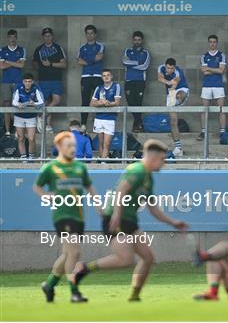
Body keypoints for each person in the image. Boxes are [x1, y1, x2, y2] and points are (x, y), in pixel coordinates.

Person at [73, 139, 189, 302]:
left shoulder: (148, 178)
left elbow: (153, 208)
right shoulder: (137, 170)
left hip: (130, 221)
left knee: (148, 258)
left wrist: (173, 222)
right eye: (163, 160)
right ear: (154, 158)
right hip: (116, 219)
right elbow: (121, 191)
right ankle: (84, 268)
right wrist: (116, 216)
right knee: (125, 259)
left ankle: (135, 295)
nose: (164, 164)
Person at [34, 131, 99, 303]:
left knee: (67, 254)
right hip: (61, 215)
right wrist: (47, 196)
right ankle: (74, 292)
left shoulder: (80, 167)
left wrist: (99, 206)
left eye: (74, 146)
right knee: (75, 252)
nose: (72, 148)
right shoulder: (51, 168)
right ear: (59, 147)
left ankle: (49, 284)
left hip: (78, 215)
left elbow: (90, 187)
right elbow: (37, 187)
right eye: (69, 145)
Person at [33, 27, 67, 134]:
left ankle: (40, 116)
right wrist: (40, 68)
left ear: (52, 36)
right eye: (45, 36)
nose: (47, 37)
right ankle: (47, 125)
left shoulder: (58, 48)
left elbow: (64, 64)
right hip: (43, 79)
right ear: (43, 37)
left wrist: (50, 64)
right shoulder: (38, 49)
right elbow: (34, 63)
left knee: (56, 100)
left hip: (56, 79)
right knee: (45, 102)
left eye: (49, 35)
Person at [157, 58, 189, 158]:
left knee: (179, 96)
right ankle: (178, 147)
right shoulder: (161, 68)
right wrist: (168, 82)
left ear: (174, 67)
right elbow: (160, 78)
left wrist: (171, 84)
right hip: (170, 94)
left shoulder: (178, 73)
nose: (169, 70)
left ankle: (178, 102)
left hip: (181, 89)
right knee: (173, 122)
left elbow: (173, 87)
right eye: (168, 68)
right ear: (165, 65)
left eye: (171, 68)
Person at [198, 34, 226, 141]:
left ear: (217, 43)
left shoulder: (221, 55)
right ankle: (203, 131)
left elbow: (221, 70)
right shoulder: (204, 56)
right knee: (205, 109)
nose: (212, 44)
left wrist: (209, 69)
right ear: (208, 43)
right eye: (211, 42)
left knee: (221, 109)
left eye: (214, 42)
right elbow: (204, 72)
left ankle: (222, 132)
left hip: (218, 85)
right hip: (207, 86)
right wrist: (215, 69)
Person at [77, 24, 105, 133]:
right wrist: (93, 60)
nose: (90, 35)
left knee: (99, 100)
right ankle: (83, 124)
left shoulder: (100, 46)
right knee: (85, 101)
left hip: (98, 77)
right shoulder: (82, 47)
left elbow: (100, 57)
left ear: (95, 34)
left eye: (92, 33)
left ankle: (100, 123)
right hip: (85, 77)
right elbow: (79, 61)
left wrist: (87, 61)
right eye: (88, 33)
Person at [90, 69, 122, 160]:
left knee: (106, 143)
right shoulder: (99, 87)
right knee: (100, 142)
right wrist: (101, 103)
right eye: (104, 75)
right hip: (99, 118)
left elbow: (117, 102)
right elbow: (92, 103)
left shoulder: (116, 86)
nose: (106, 77)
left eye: (108, 75)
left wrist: (108, 103)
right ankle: (102, 160)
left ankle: (103, 162)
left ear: (111, 76)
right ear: (102, 77)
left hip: (110, 118)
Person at [122, 31, 150, 133]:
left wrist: (131, 63)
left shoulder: (145, 52)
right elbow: (124, 62)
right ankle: (139, 122)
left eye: (139, 40)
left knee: (138, 103)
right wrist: (138, 62)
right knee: (131, 103)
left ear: (142, 40)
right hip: (129, 80)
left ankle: (137, 124)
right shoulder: (127, 51)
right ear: (132, 40)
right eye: (135, 40)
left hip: (140, 81)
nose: (137, 42)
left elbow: (145, 66)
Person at [12, 73, 44, 160]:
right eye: (26, 81)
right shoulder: (18, 87)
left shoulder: (36, 87)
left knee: (31, 138)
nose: (27, 83)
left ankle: (31, 157)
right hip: (19, 116)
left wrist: (34, 104)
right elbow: (14, 102)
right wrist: (19, 104)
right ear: (23, 81)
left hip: (31, 116)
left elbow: (41, 102)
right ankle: (23, 158)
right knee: (21, 138)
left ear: (32, 81)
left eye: (29, 81)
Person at [1, 29, 26, 136]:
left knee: (17, 105)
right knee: (6, 105)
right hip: (6, 81)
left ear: (16, 37)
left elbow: (21, 65)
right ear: (8, 38)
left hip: (18, 81)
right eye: (10, 37)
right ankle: (7, 130)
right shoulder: (2, 50)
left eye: (14, 37)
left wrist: (7, 61)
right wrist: (15, 62)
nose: (12, 39)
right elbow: (1, 66)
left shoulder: (21, 50)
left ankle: (17, 130)